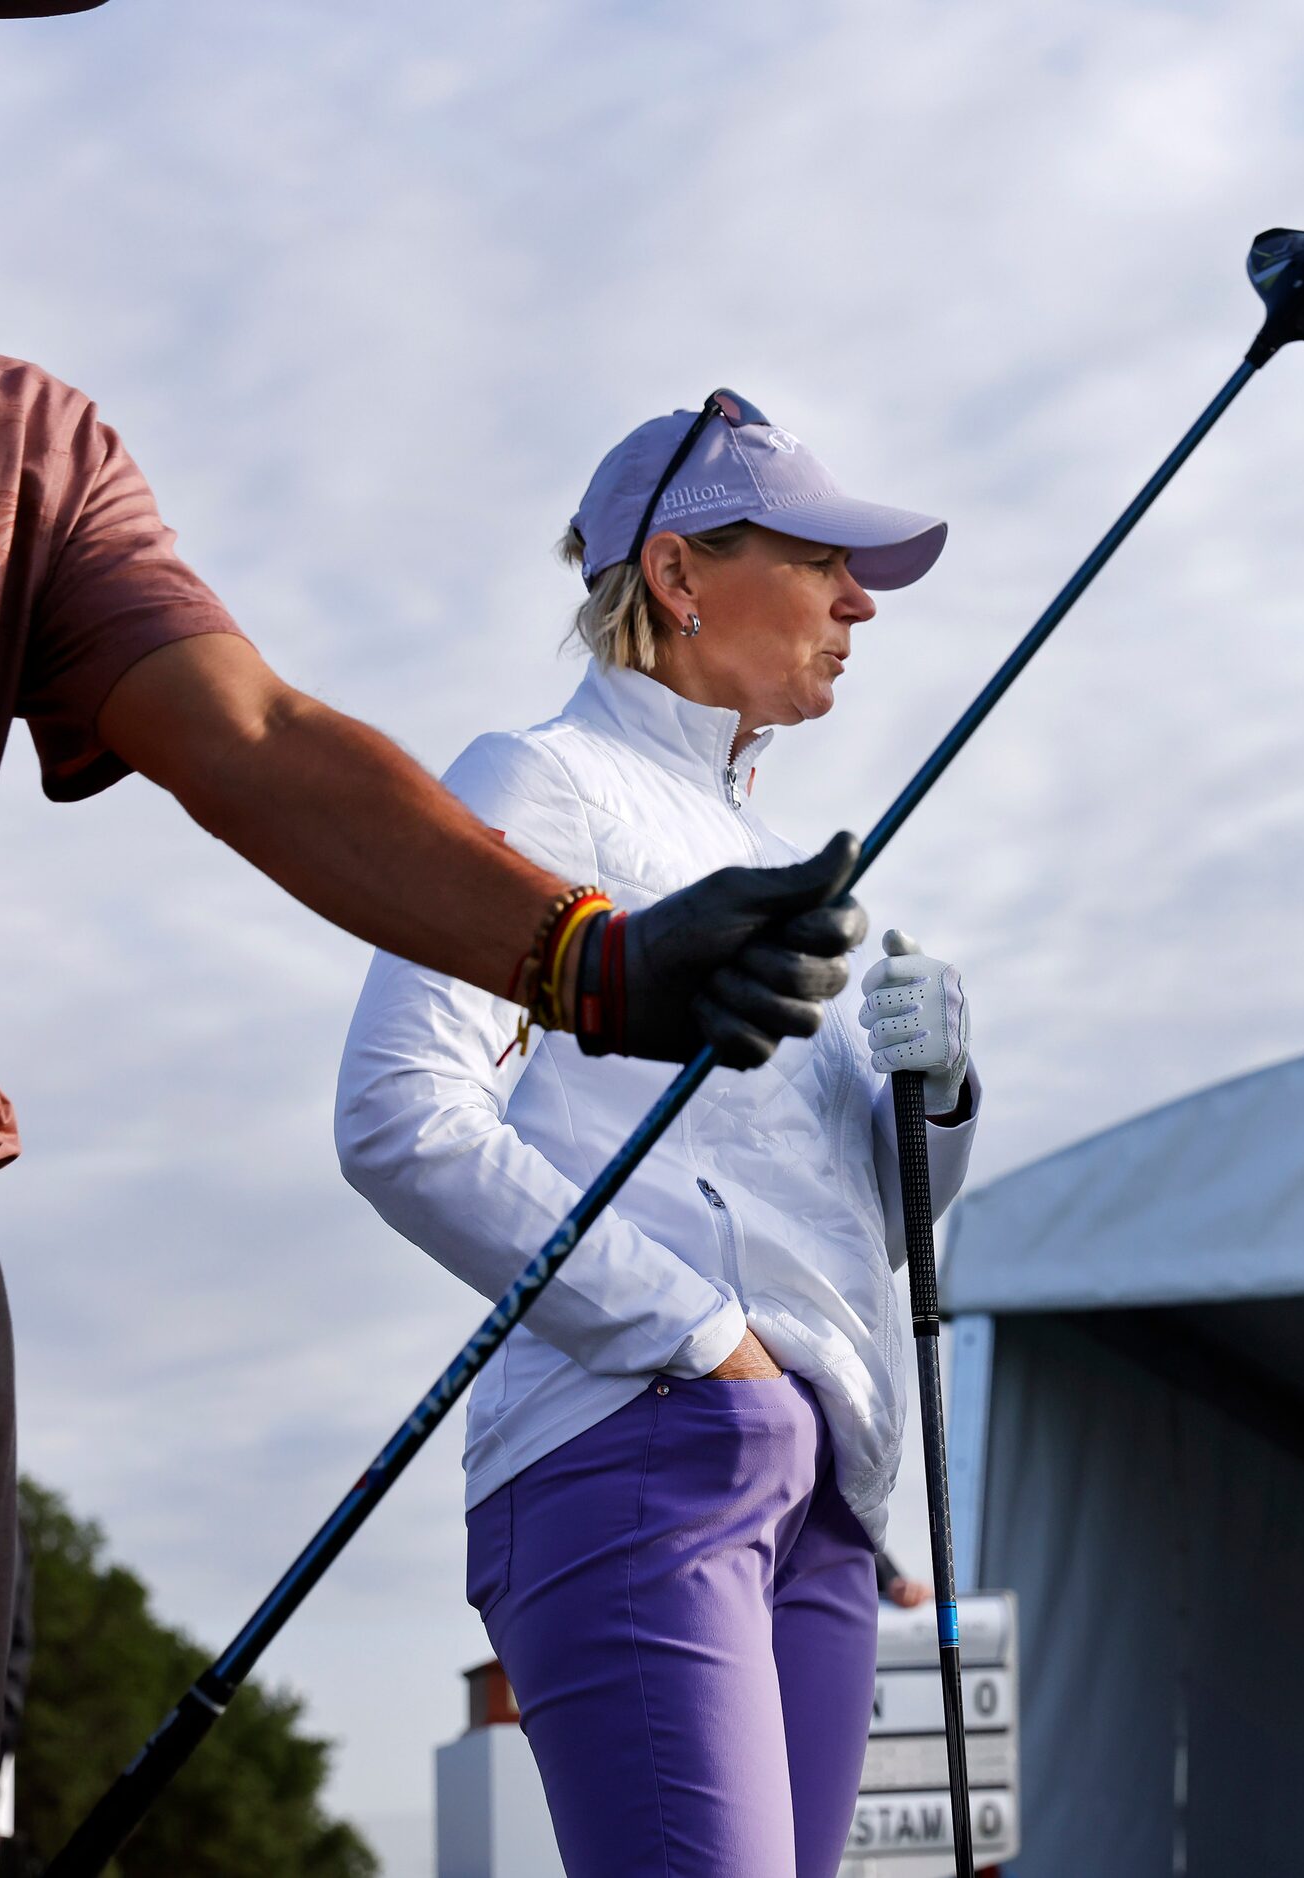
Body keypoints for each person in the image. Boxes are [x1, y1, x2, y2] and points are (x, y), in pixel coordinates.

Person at [0, 8, 869, 1875]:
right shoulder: (559, 762)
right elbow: (408, 1117)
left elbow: (262, 742)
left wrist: (593, 962)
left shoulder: (16, 434)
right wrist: (700, 1334)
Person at [336, 390, 978, 1878]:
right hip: (639, 1444)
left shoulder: (767, 854)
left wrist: (935, 1098)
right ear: (681, 576)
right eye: (819, 554)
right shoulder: (534, 781)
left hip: (825, 1488)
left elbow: (883, 1220)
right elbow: (400, 1113)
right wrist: (702, 1341)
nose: (857, 600)